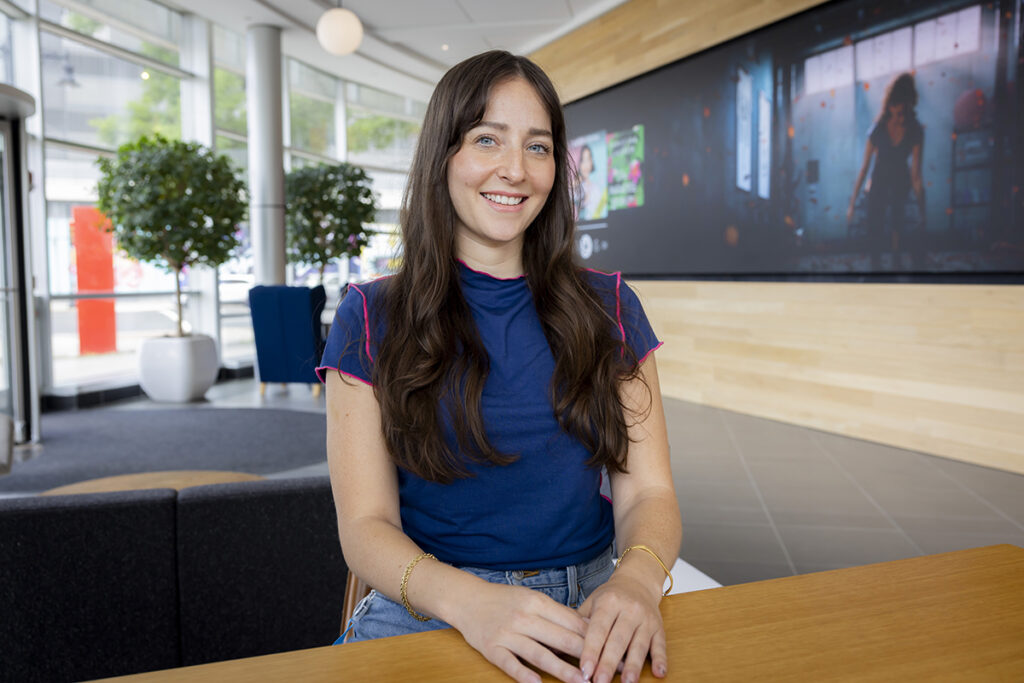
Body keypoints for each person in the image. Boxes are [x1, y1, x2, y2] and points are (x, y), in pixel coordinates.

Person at [318, 50, 680, 683]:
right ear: (444, 156)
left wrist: (640, 580)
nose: (515, 170)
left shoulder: (610, 306)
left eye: (538, 148)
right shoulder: (371, 314)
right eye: (487, 139)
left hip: (597, 602)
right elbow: (364, 527)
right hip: (435, 600)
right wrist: (470, 603)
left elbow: (649, 492)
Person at [847, 72, 926, 269]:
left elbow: (916, 176)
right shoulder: (878, 129)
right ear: (890, 106)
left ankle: (896, 261)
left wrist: (923, 211)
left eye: (904, 113)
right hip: (879, 179)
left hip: (901, 180)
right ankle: (876, 266)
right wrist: (852, 203)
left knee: (897, 225)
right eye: (897, 112)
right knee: (875, 224)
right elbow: (864, 168)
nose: (901, 118)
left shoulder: (915, 129)